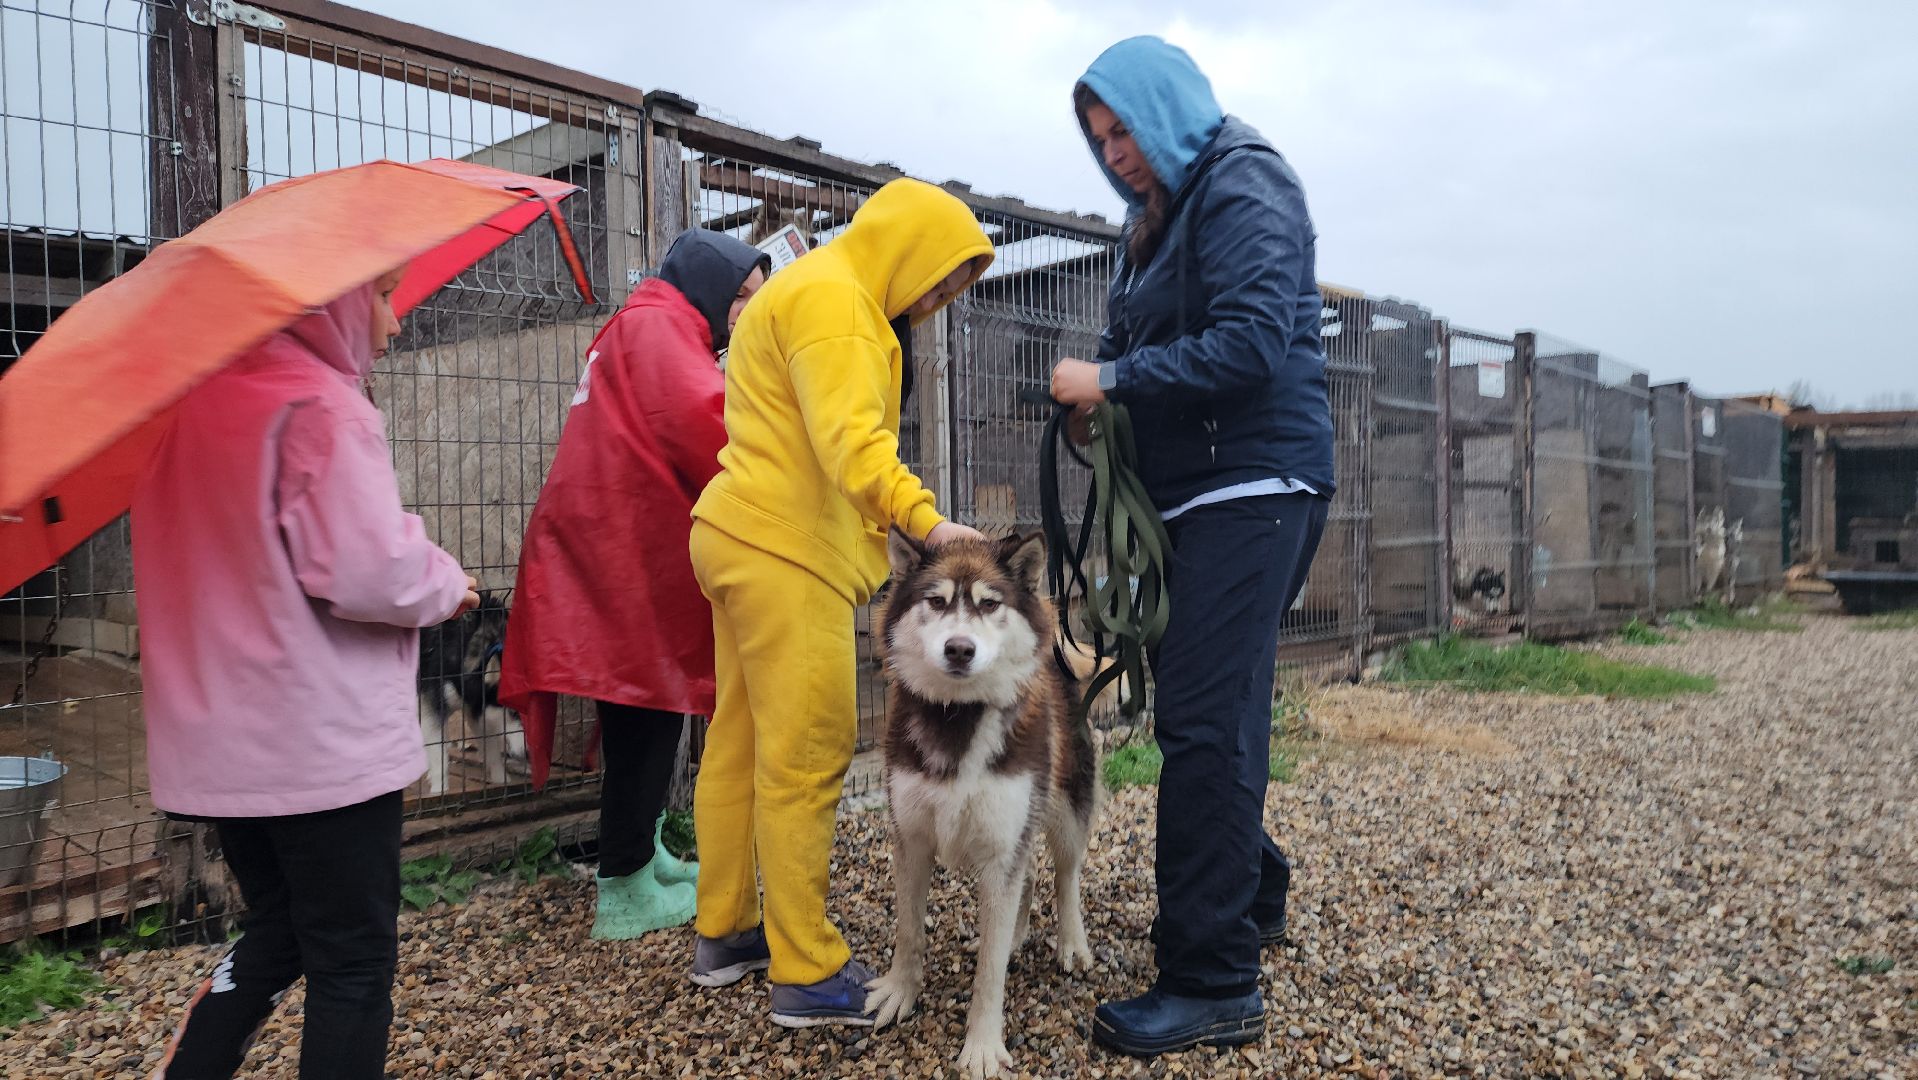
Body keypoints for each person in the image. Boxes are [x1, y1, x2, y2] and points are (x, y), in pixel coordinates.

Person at [1047, 36, 1337, 1056]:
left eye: (1124, 127)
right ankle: (1246, 889)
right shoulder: (1151, 216)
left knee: (1203, 725)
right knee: (1216, 707)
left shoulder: (1242, 179)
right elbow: (1134, 345)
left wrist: (1114, 384)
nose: (1116, 152)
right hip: (1186, 496)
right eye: (1098, 138)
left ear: (1167, 107)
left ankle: (1212, 977)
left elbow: (1257, 339)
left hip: (1255, 482)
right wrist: (1098, 409)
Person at [137, 269, 479, 1079]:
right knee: (353, 964)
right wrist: (447, 583)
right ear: (329, 297)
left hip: (223, 752)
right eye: (383, 296)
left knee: (282, 928)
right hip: (320, 750)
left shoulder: (188, 408)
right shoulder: (321, 407)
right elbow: (370, 573)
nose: (394, 324)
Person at [684, 177, 992, 1026]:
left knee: (740, 747)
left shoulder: (801, 286)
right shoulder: (841, 305)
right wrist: (930, 526)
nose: (933, 302)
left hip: (737, 531)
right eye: (936, 279)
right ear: (905, 246)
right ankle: (807, 971)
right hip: (786, 549)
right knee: (807, 754)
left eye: (950, 291)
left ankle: (727, 932)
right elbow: (852, 443)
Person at [499, 228, 770, 940]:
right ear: (708, 287)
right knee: (645, 705)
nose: (747, 313)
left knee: (640, 704)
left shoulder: (643, 321)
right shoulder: (660, 328)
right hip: (621, 551)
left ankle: (639, 853)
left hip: (605, 541)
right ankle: (623, 888)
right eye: (741, 296)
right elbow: (708, 425)